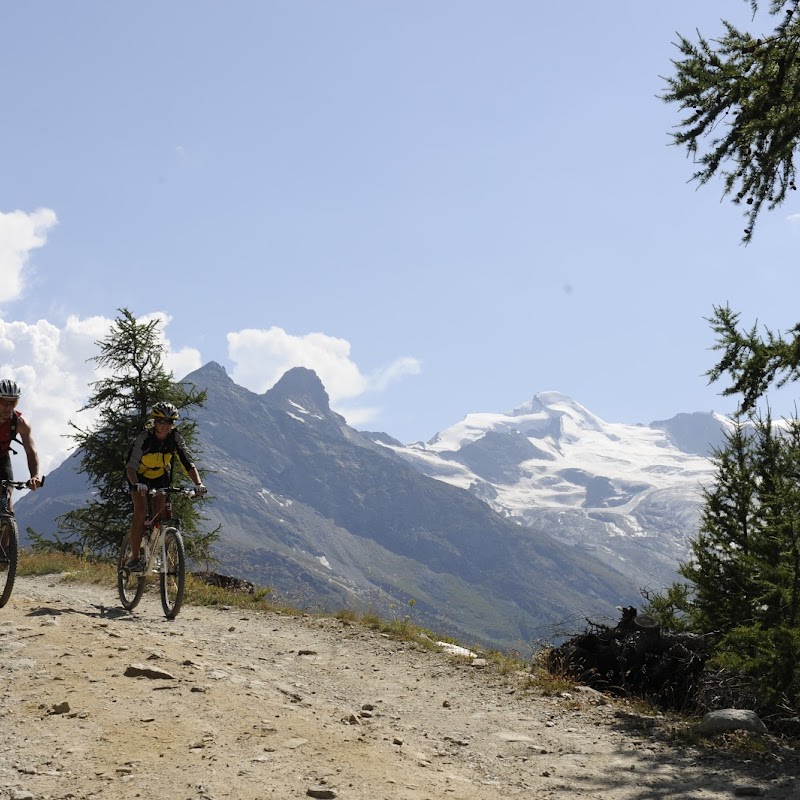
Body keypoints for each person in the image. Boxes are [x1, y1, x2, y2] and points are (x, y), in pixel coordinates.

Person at [123, 401, 206, 572]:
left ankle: (155, 551)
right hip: (139, 476)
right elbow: (131, 465)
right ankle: (134, 559)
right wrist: (135, 483)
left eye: (169, 422)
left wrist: (198, 484)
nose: (165, 426)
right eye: (161, 421)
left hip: (160, 476)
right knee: (140, 511)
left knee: (160, 514)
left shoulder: (175, 438)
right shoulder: (144, 438)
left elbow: (187, 462)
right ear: (155, 421)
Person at [0, 379, 42, 515]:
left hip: (2, 458)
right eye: (3, 402)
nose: (7, 407)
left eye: (12, 403)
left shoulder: (20, 423)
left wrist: (34, 476)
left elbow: (31, 452)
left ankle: (7, 528)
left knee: (7, 505)